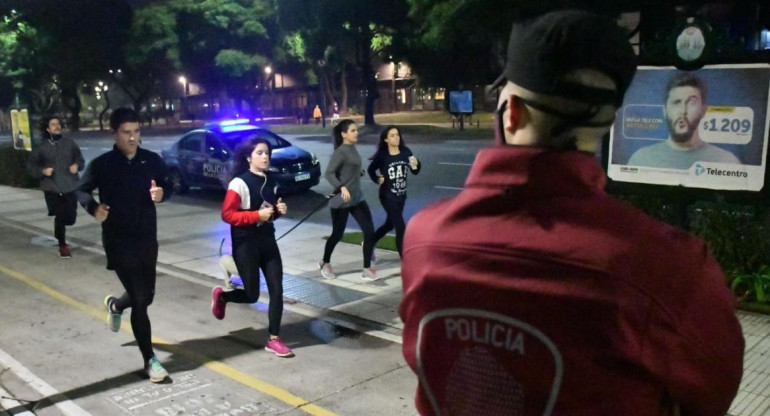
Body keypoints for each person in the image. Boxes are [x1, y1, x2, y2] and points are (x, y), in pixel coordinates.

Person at [400, 10, 743, 416]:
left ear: (510, 113)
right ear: (607, 121)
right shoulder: (669, 269)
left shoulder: (424, 240)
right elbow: (712, 393)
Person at [76, 108, 172, 383]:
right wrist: (93, 207)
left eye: (136, 131)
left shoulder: (151, 161)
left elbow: (169, 185)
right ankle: (150, 360)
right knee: (141, 299)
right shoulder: (103, 164)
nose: (133, 138)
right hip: (118, 240)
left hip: (146, 238)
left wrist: (162, 194)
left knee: (147, 295)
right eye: (126, 132)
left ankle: (116, 306)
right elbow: (81, 190)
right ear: (114, 133)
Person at [211, 136, 293, 357]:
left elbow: (269, 213)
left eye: (267, 153)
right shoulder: (239, 183)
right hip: (245, 243)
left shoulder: (271, 181)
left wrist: (277, 212)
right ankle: (223, 296)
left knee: (277, 290)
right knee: (252, 295)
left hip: (267, 241)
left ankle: (274, 339)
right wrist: (257, 214)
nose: (265, 156)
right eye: (259, 153)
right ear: (248, 157)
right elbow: (227, 214)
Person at [628, 72, 740, 169]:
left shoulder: (728, 162)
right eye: (676, 102)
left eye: (691, 103)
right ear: (664, 110)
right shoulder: (640, 160)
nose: (683, 111)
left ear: (703, 110)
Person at [319, 119, 378, 281]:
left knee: (369, 232)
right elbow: (329, 173)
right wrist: (342, 187)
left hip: (357, 198)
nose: (356, 133)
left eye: (356, 130)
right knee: (337, 235)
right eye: (353, 131)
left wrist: (358, 173)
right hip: (341, 200)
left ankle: (367, 268)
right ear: (344, 134)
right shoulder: (340, 152)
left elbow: (347, 170)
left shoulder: (352, 148)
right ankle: (325, 262)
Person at [27, 115, 84, 258]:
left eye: (58, 124)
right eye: (53, 124)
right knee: (60, 215)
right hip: (51, 187)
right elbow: (31, 166)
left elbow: (80, 159)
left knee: (70, 218)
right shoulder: (42, 148)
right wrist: (43, 171)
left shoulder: (70, 143)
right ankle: (63, 245)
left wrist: (77, 165)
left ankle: (59, 232)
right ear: (48, 129)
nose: (57, 126)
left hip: (70, 185)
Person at [366, 125, 420, 258]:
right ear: (386, 140)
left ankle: (369, 243)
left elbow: (415, 170)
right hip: (387, 196)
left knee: (390, 224)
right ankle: (406, 261)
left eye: (397, 134)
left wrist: (415, 165)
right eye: (392, 135)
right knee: (400, 227)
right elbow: (371, 170)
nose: (396, 137)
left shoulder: (405, 152)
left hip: (401, 196)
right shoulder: (383, 156)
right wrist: (377, 178)